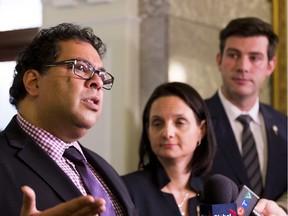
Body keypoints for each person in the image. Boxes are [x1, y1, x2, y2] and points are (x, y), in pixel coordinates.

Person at [0, 23, 136, 215]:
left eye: (101, 75)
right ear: (33, 82)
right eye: (80, 68)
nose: (97, 82)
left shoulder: (105, 170)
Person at [205, 17, 287, 210]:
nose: (243, 67)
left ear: (270, 66)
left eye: (255, 57)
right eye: (233, 55)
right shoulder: (193, 120)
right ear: (219, 60)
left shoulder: (284, 126)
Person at [122, 82, 217, 216]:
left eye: (180, 122)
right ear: (148, 130)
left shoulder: (215, 195)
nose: (167, 133)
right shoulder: (125, 189)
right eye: (157, 123)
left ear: (201, 130)